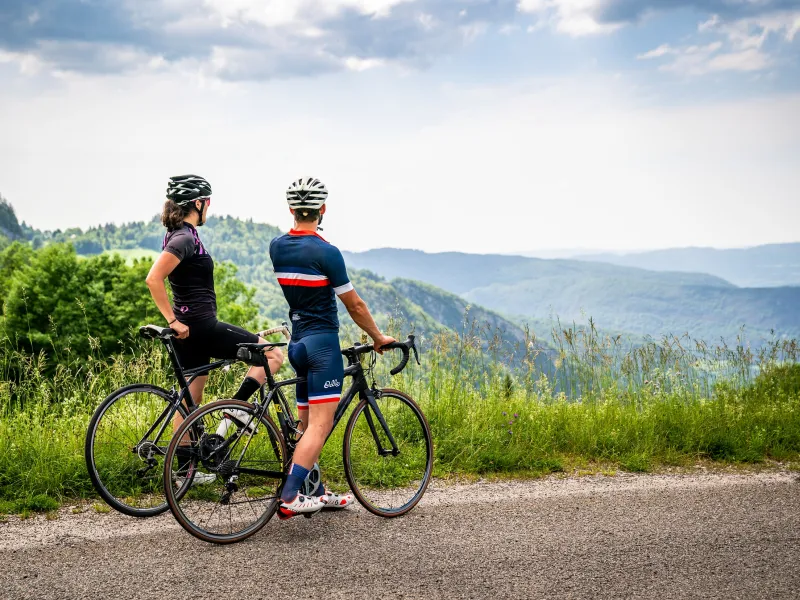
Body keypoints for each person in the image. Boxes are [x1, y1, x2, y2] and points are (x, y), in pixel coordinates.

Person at [269, 177, 396, 519]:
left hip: (296, 344)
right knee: (320, 427)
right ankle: (291, 496)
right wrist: (377, 337)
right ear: (323, 209)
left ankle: (317, 491)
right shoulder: (327, 252)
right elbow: (354, 305)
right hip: (322, 346)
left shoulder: (277, 246)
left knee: (305, 425)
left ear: (292, 209)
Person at [146, 174, 283, 484]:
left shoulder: (177, 235)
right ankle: (234, 415)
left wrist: (177, 322)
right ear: (198, 203)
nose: (209, 207)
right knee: (272, 355)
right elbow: (153, 279)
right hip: (201, 327)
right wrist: (172, 320)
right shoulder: (184, 238)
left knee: (189, 401)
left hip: (189, 332)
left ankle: (184, 474)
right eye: (207, 202)